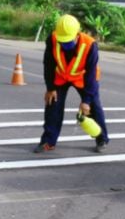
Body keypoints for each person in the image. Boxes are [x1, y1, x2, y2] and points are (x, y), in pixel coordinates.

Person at [34, 14, 109, 153]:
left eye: (68, 41)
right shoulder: (52, 39)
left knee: (94, 106)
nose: (65, 44)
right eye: (63, 41)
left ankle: (101, 138)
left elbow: (91, 74)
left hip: (83, 78)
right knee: (52, 104)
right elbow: (48, 65)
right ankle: (48, 142)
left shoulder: (90, 45)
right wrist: (50, 88)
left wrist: (86, 100)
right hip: (61, 76)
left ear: (77, 34)